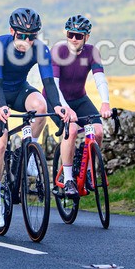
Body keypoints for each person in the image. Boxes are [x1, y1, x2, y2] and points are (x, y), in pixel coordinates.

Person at [0, 8, 70, 227]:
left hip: (20, 89)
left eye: (31, 36)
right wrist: (2, 106)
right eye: (21, 35)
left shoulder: (40, 49)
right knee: (0, 145)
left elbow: (48, 82)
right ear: (12, 31)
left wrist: (57, 106)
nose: (26, 40)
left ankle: (28, 151)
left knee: (40, 105)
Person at [48, 14, 111, 201]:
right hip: (56, 100)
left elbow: (99, 78)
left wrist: (105, 102)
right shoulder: (58, 51)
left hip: (79, 98)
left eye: (79, 35)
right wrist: (66, 109)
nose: (74, 39)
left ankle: (91, 172)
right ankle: (68, 179)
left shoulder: (92, 52)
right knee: (72, 129)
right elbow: (54, 85)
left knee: (98, 131)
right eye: (70, 34)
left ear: (87, 37)